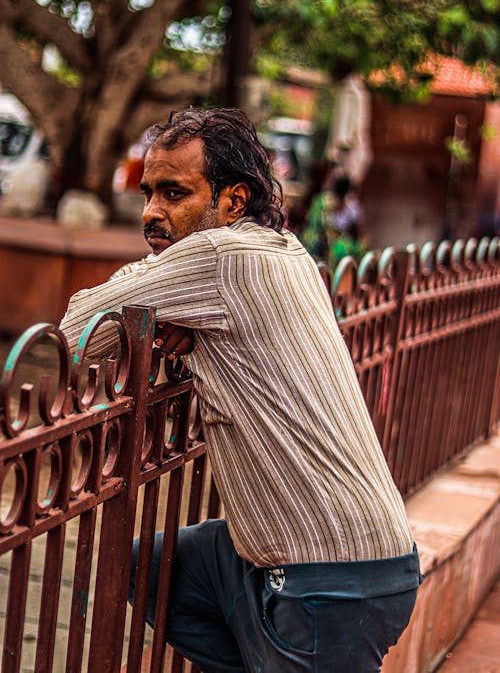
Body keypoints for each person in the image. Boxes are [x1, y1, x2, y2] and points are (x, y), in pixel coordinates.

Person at [60, 107, 421, 673]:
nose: (153, 213)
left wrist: (142, 289)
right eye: (149, 192)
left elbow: (76, 334)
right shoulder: (285, 248)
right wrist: (162, 305)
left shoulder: (221, 255)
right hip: (320, 555)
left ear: (233, 200)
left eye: (175, 194)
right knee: (143, 568)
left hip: (332, 576)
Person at [301, 170, 366, 270]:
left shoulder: (351, 207)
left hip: (335, 245)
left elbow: (358, 232)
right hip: (320, 242)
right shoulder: (323, 203)